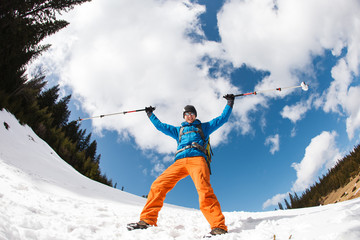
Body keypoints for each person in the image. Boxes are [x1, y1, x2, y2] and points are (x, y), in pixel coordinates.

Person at [127, 94, 235, 236]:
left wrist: (229, 102)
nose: (189, 116)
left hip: (198, 160)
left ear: (195, 116)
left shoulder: (204, 127)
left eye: (192, 114)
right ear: (184, 116)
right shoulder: (179, 130)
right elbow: (161, 126)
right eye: (187, 114)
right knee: (158, 185)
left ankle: (218, 226)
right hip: (179, 162)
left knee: (204, 190)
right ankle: (147, 220)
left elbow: (222, 119)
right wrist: (150, 114)